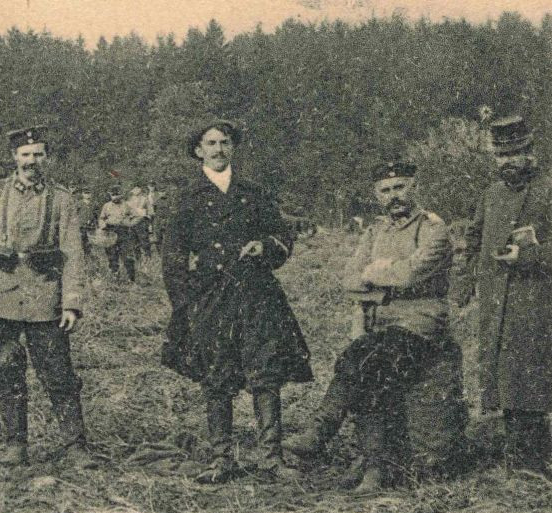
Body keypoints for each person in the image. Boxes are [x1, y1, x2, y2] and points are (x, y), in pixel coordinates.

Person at [161, 119, 312, 483]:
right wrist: (188, 303)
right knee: (216, 374)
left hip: (256, 294)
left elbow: (281, 236)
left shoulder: (253, 193)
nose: (218, 150)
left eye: (225, 142)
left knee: (266, 372)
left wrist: (266, 247)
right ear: (198, 150)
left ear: (233, 147)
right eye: (210, 143)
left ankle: (270, 458)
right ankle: (221, 458)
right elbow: (172, 257)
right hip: (211, 297)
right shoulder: (185, 199)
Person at [0, 126, 93, 468]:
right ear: (15, 157)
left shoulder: (60, 199)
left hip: (45, 298)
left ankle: (75, 445)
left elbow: (72, 251)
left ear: (46, 157)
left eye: (38, 154)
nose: (32, 161)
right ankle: (16, 444)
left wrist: (71, 300)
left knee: (58, 373)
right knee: (7, 371)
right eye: (25, 155)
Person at [315, 162, 459, 491]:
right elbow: (350, 278)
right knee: (364, 361)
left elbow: (412, 273)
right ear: (376, 195)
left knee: (369, 362)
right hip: (379, 322)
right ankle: (372, 464)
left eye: (400, 187)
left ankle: (333, 435)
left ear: (414, 188)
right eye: (386, 190)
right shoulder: (375, 231)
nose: (394, 196)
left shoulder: (432, 228)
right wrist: (382, 273)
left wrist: (374, 274)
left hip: (420, 320)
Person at [459, 115, 552, 474]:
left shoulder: (548, 189)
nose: (508, 161)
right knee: (506, 382)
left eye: (516, 153)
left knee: (532, 382)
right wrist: (463, 284)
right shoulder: (491, 194)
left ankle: (533, 465)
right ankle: (519, 459)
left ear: (531, 152)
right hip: (497, 305)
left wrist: (529, 255)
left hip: (538, 304)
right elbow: (472, 239)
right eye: (501, 155)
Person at [96, 185, 139, 282]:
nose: (115, 197)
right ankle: (115, 275)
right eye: (113, 195)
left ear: (121, 195)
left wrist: (129, 223)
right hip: (110, 231)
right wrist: (102, 226)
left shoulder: (127, 205)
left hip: (124, 232)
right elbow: (101, 218)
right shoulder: (106, 206)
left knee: (127, 255)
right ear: (110, 195)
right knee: (112, 254)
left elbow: (137, 216)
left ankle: (131, 278)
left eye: (117, 195)